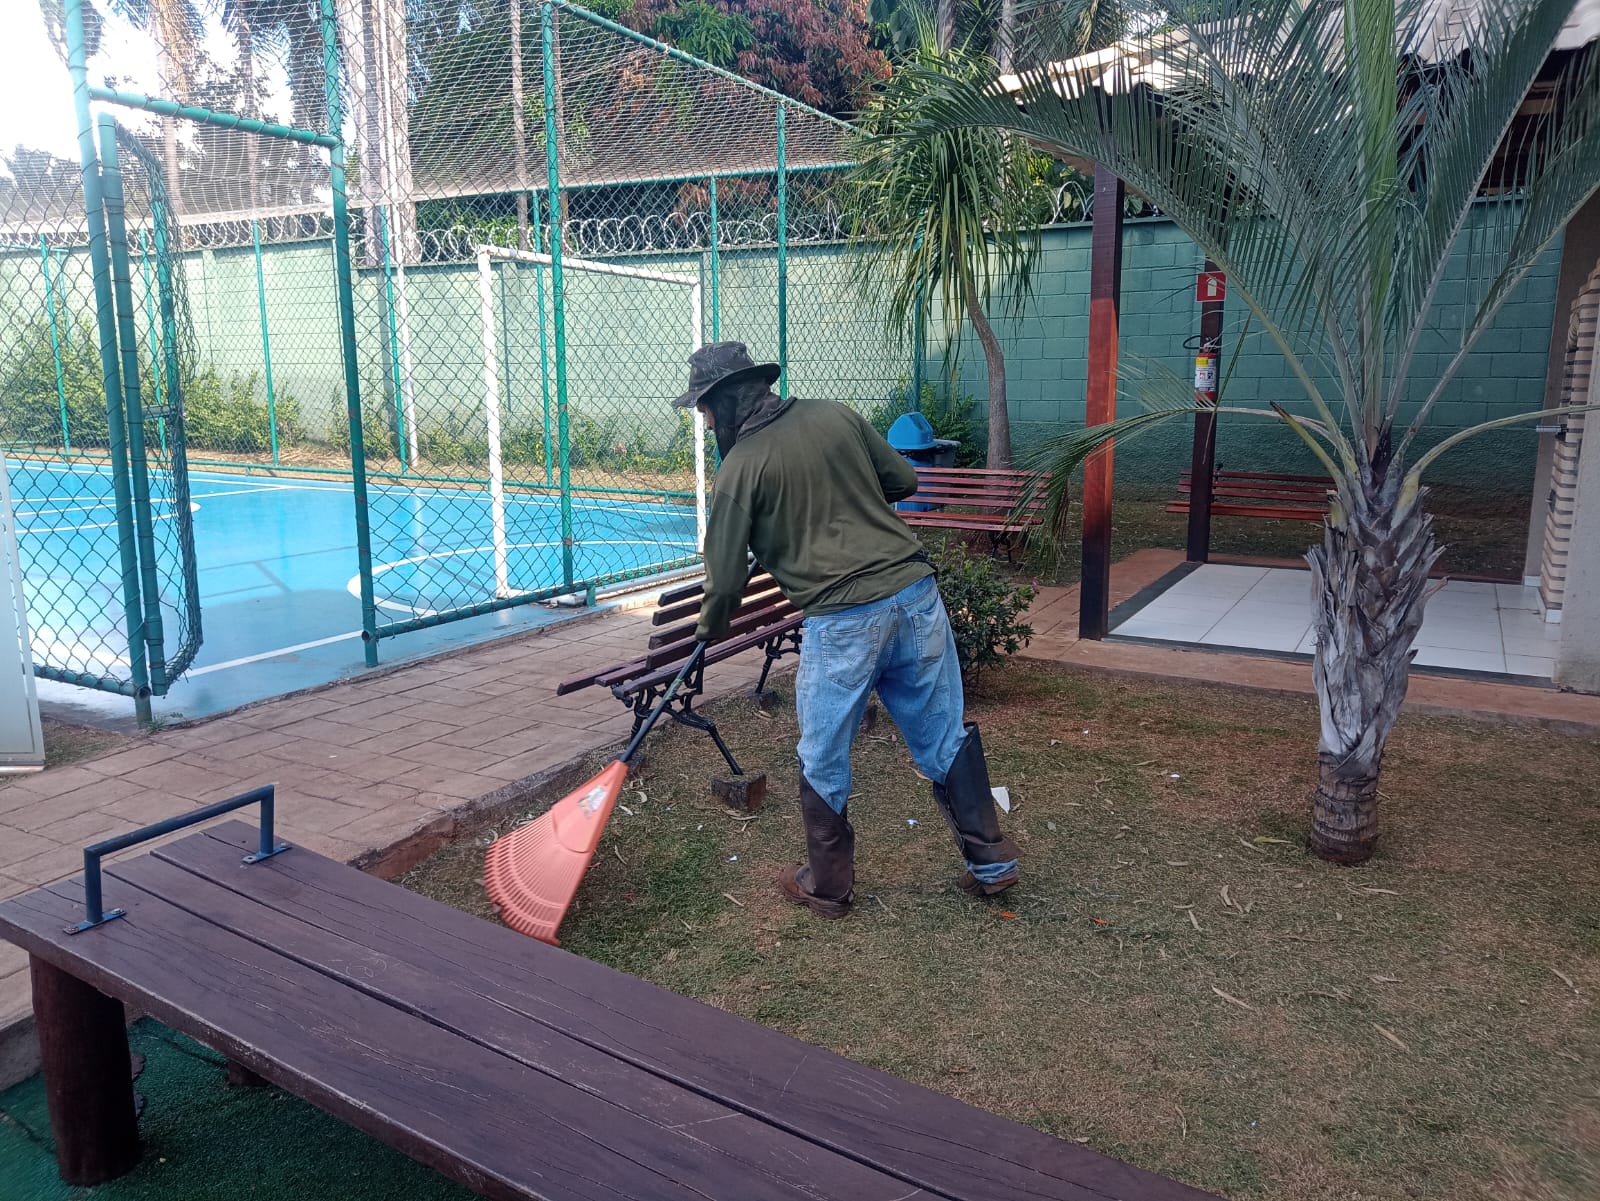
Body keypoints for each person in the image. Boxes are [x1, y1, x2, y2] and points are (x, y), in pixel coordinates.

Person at [677, 341, 1020, 919]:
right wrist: (843, 498)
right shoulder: (836, 415)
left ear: (727, 402)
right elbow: (904, 480)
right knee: (942, 734)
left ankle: (829, 885)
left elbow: (725, 577)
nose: (706, 422)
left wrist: (708, 629)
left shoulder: (740, 468)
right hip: (915, 595)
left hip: (843, 621)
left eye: (705, 409)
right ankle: (991, 862)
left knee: (823, 753)